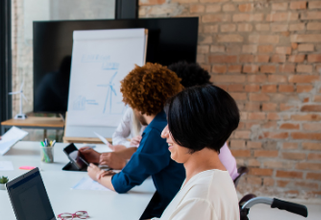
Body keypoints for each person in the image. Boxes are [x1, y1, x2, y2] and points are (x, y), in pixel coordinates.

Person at [57, 84, 241, 220]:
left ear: (194, 131)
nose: (163, 133)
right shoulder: (210, 176)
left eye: (171, 126)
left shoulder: (202, 194)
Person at [99, 61, 240, 179]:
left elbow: (149, 164)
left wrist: (121, 165)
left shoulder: (192, 138)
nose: (165, 132)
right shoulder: (209, 129)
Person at [86, 63, 186, 219]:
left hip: (169, 212)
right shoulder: (170, 120)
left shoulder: (156, 131)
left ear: (137, 103)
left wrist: (97, 175)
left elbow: (121, 184)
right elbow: (144, 161)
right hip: (180, 202)